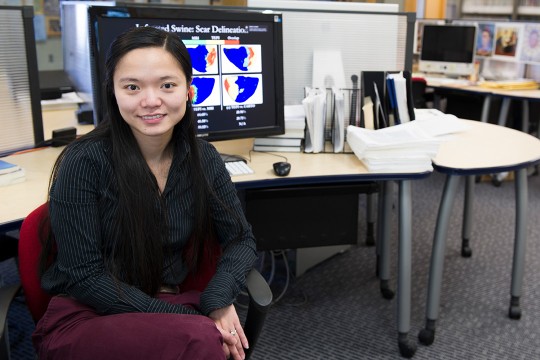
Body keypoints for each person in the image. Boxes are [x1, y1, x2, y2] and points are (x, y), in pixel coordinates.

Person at [32, 26, 258, 360]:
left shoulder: (202, 157)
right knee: (201, 340)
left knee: (204, 336)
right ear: (114, 92)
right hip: (88, 312)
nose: (150, 101)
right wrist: (188, 318)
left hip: (168, 302)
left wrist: (217, 300)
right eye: (132, 87)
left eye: (167, 85)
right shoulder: (84, 161)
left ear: (189, 91)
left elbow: (241, 240)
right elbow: (85, 277)